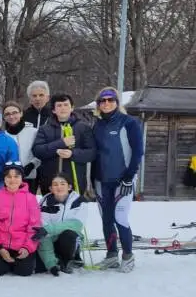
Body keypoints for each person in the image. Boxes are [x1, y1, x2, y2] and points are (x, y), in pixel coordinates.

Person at [90, 87, 144, 272]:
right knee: (106, 219)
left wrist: (130, 176)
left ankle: (128, 256)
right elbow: (94, 153)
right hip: (101, 180)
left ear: (117, 102)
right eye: (102, 101)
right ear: (98, 105)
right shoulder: (96, 124)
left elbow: (138, 151)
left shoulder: (129, 122)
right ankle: (111, 255)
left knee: (120, 217)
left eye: (110, 100)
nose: (106, 103)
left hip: (123, 179)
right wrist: (91, 180)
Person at [32, 93, 97, 195]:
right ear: (53, 110)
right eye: (59, 105)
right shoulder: (44, 129)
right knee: (51, 210)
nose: (63, 108)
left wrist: (72, 154)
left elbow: (92, 153)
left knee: (74, 209)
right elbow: (37, 150)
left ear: (72, 108)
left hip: (75, 182)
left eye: (66, 105)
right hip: (50, 182)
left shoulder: (83, 128)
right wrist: (59, 144)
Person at [0, 162, 41, 276]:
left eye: (16, 176)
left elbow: (35, 227)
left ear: (22, 178)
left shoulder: (30, 198)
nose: (12, 180)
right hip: (0, 245)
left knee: (24, 272)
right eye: (9, 176)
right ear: (4, 179)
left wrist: (27, 247)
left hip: (22, 245)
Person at [36, 174, 85, 276]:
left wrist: (49, 229)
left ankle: (69, 259)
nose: (59, 187)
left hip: (69, 241)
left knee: (68, 234)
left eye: (63, 184)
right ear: (50, 188)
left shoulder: (78, 201)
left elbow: (76, 225)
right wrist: (50, 263)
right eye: (55, 184)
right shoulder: (44, 203)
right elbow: (43, 233)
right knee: (39, 267)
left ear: (69, 187)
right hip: (51, 242)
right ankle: (55, 260)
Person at [1, 101, 41, 184]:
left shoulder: (34, 132)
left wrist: (31, 165)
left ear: (21, 113)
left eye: (14, 113)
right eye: (7, 114)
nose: (11, 116)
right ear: (4, 117)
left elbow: (40, 152)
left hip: (30, 176)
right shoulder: (2, 136)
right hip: (10, 179)